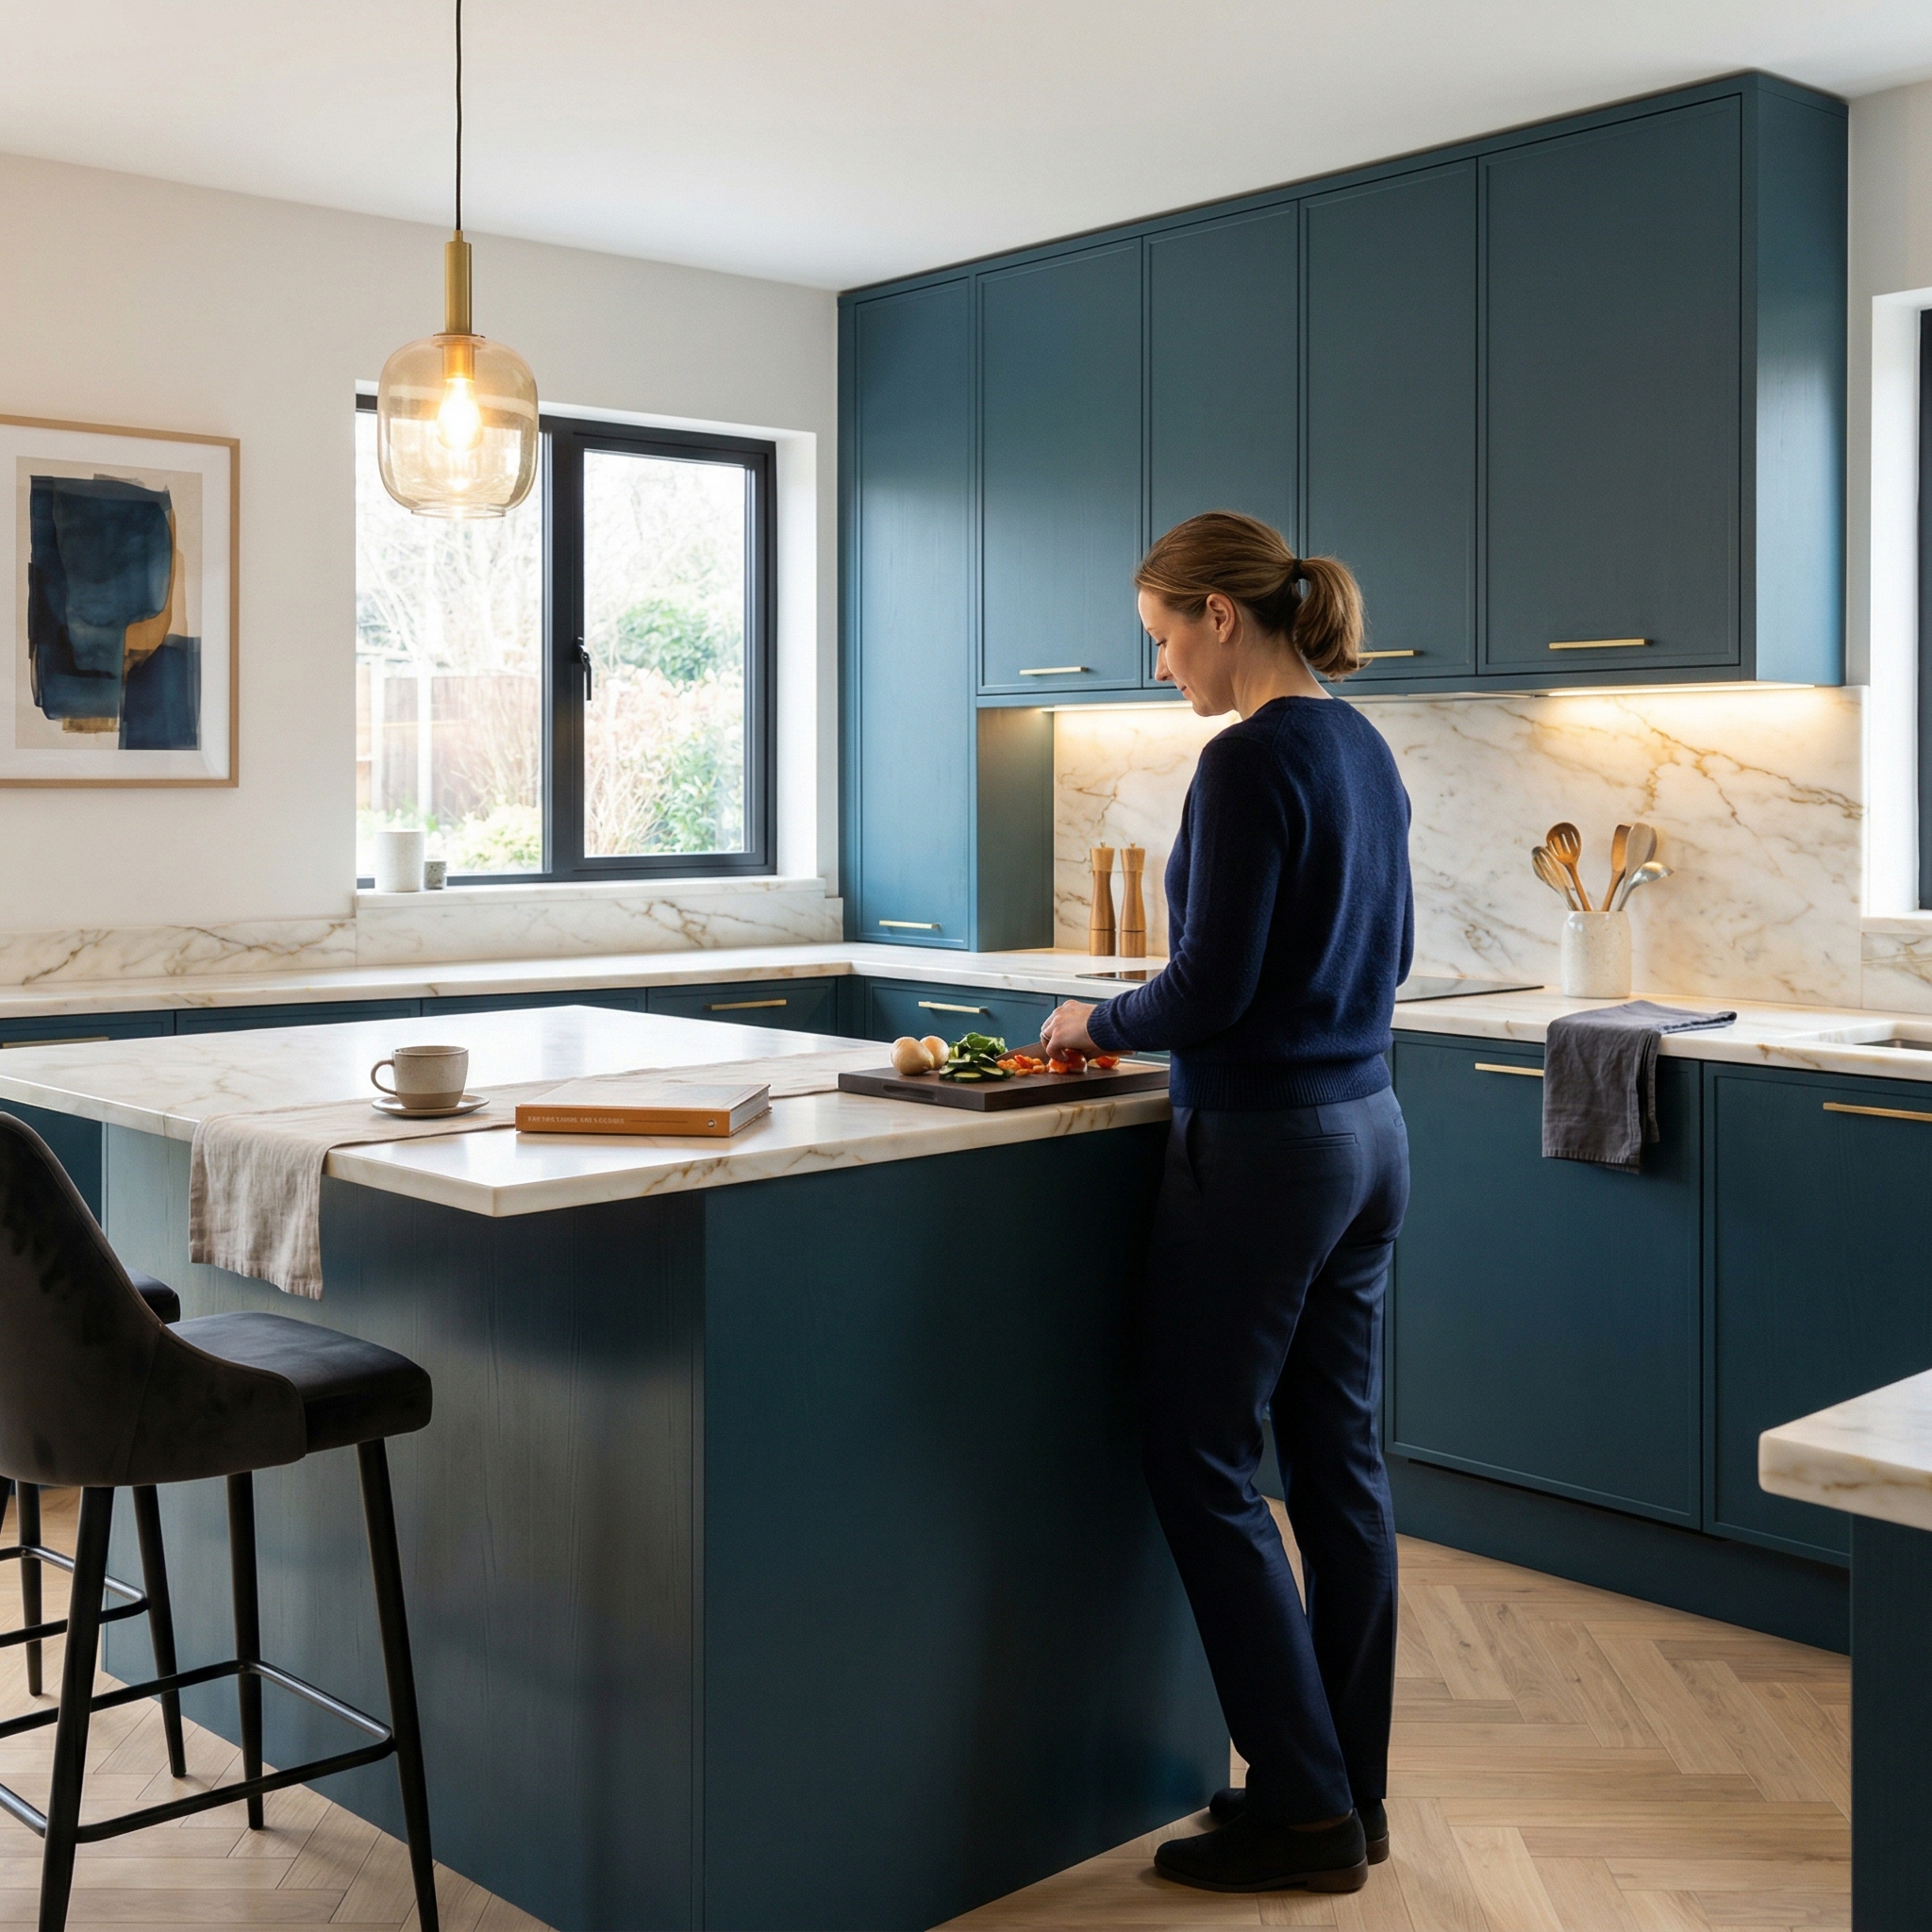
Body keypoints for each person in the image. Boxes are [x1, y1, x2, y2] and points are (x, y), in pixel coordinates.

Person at [1041, 511, 1413, 1897]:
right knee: (1341, 1473)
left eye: (1159, 641)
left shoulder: (1248, 759)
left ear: (1216, 614)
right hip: (1369, 1134)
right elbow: (1387, 955)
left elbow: (1210, 990)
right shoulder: (1365, 748)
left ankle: (1301, 1812)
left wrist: (1097, 1015)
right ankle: (1351, 1795)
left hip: (1263, 1150)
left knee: (1197, 1461)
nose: (1159, 672)